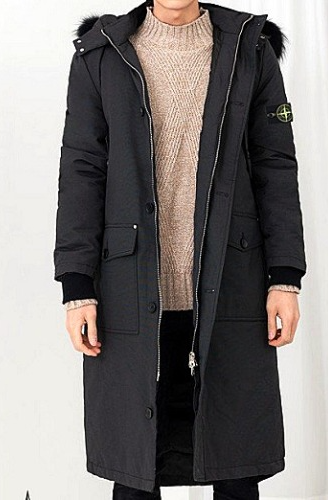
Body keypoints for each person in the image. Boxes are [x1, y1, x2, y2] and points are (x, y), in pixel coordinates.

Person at [53, 0, 307, 498]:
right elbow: (81, 170)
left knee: (235, 463)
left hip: (230, 282)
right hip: (129, 287)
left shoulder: (250, 47)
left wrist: (285, 277)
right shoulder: (101, 53)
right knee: (135, 467)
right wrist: (77, 286)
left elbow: (276, 164)